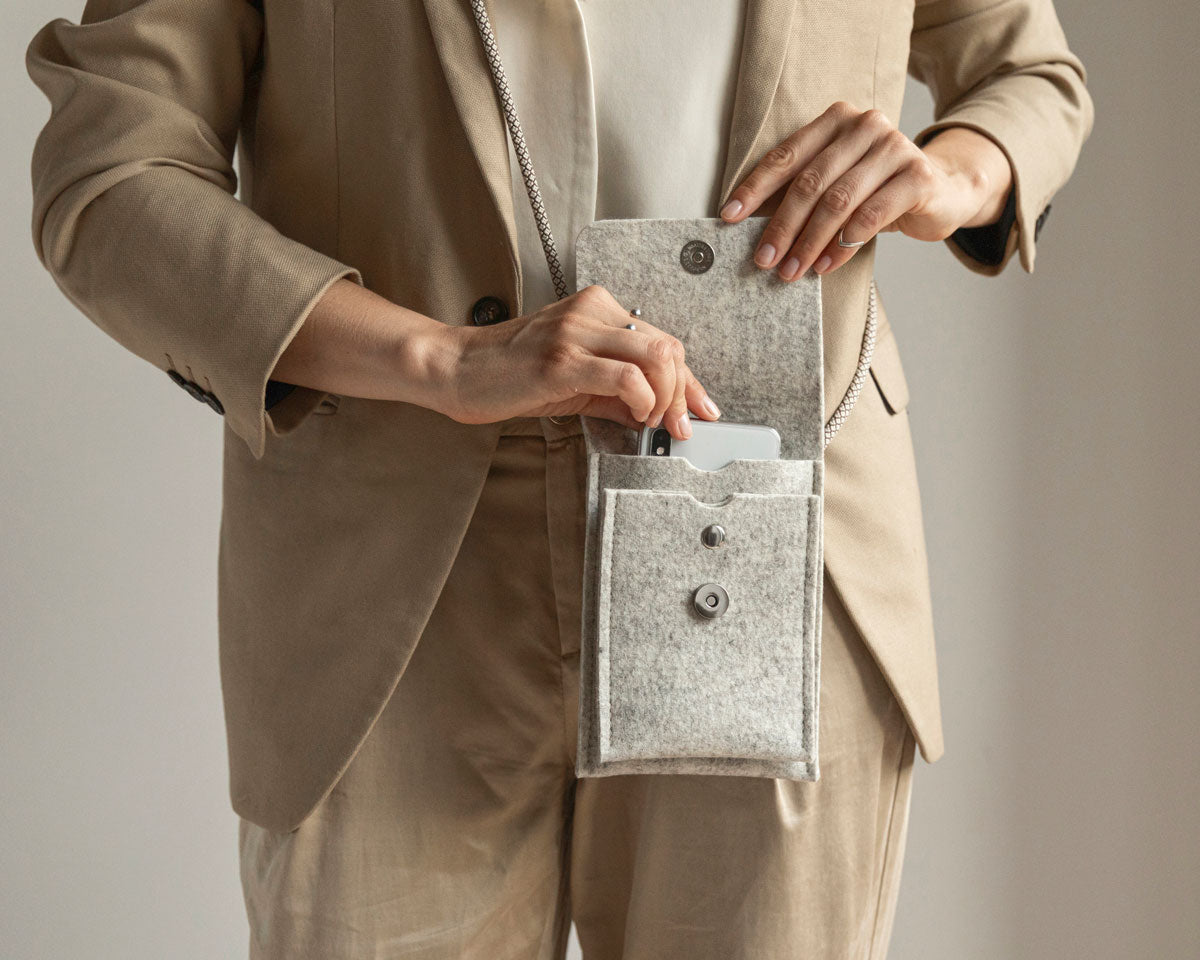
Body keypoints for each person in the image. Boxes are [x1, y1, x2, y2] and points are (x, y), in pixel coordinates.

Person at [25, 0, 1093, 956]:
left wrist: (960, 174)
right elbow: (111, 173)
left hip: (779, 525)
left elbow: (1030, 75)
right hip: (393, 573)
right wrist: (439, 360)